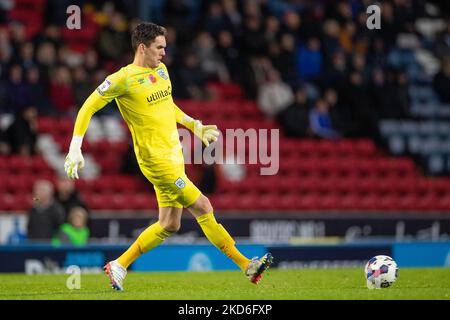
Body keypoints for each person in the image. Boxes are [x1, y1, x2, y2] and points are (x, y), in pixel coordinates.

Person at [63, 22, 273, 291]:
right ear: (143, 47)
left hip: (175, 156)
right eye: (159, 47)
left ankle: (119, 264)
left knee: (169, 224)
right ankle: (247, 265)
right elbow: (87, 108)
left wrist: (193, 124)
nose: (164, 52)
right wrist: (75, 146)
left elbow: (168, 105)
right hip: (156, 161)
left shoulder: (161, 71)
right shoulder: (122, 79)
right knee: (204, 206)